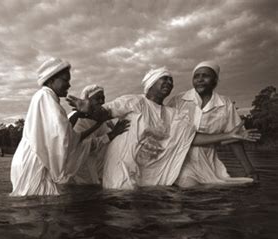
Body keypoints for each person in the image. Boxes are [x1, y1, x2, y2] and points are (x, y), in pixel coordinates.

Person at [67, 67, 260, 190]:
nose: (168, 83)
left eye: (170, 80)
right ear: (150, 84)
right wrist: (90, 109)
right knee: (120, 211)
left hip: (147, 170)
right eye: (163, 79)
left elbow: (191, 138)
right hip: (121, 167)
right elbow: (107, 112)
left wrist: (228, 134)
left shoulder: (173, 115)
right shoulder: (134, 101)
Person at [10, 57, 129, 196]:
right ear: (51, 80)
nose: (69, 85)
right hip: (34, 162)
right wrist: (85, 115)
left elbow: (69, 138)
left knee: (40, 206)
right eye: (65, 80)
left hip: (37, 162)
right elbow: (64, 138)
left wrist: (96, 123)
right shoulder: (45, 96)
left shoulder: (49, 100)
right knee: (33, 208)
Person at [168, 61, 259, 187]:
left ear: (215, 80)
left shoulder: (224, 104)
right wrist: (228, 135)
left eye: (205, 76)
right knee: (189, 187)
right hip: (179, 160)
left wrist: (250, 170)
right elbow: (180, 137)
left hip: (208, 162)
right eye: (196, 76)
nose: (200, 79)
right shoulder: (178, 101)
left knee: (219, 197)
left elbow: (235, 138)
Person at [68, 84, 128, 184]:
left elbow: (108, 139)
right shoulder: (77, 120)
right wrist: (112, 134)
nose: (102, 101)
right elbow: (81, 146)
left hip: (92, 171)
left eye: (103, 98)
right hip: (76, 172)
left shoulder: (102, 120)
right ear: (86, 101)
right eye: (97, 98)